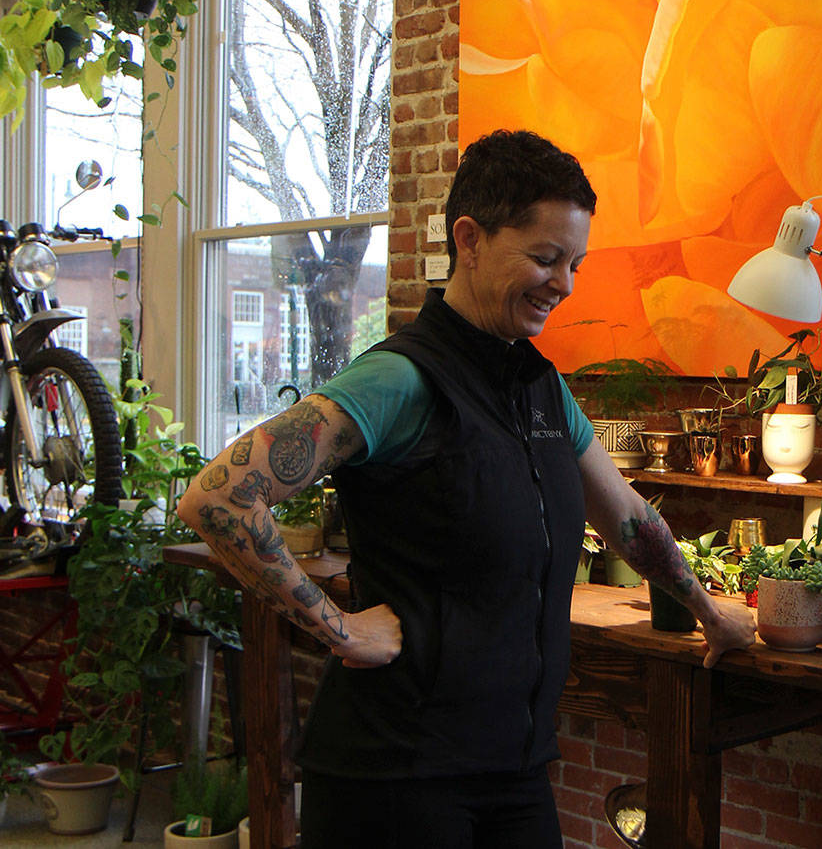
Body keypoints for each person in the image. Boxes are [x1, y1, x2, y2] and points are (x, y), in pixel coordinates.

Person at [177, 129, 756, 848]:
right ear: (470, 238)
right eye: (544, 258)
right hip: (395, 778)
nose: (564, 283)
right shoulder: (400, 379)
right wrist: (338, 628)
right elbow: (216, 497)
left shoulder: (538, 387)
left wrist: (707, 611)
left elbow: (628, 517)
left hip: (512, 769)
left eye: (573, 263)